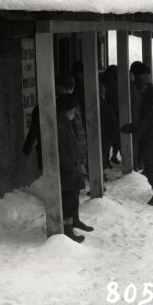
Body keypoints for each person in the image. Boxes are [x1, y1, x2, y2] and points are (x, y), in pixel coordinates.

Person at [57, 94, 94, 242]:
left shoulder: (66, 124)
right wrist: (69, 165)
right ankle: (68, 228)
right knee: (68, 201)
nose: (74, 114)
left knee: (73, 198)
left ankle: (75, 220)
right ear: (67, 111)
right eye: (72, 110)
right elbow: (60, 151)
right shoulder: (61, 126)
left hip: (72, 170)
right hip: (68, 171)